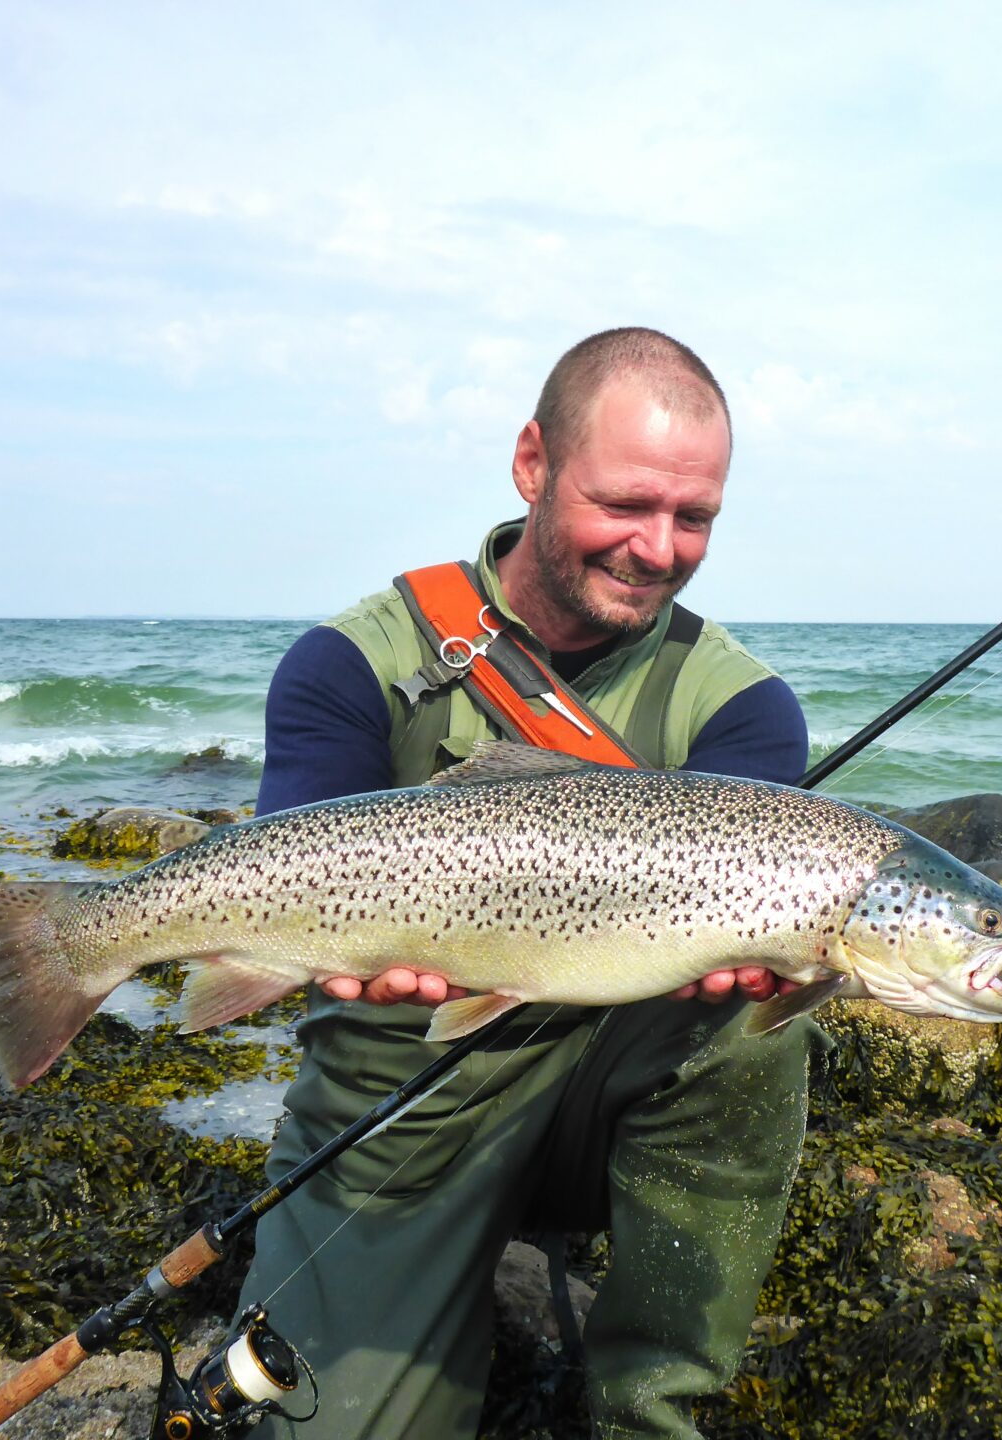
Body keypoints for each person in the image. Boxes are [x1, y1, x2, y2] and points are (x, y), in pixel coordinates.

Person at [239, 328, 815, 1440]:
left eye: (693, 518)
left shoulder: (743, 705)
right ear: (533, 464)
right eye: (626, 504)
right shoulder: (349, 663)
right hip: (399, 1102)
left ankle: (651, 1407)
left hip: (608, 1096)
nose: (658, 548)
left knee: (760, 1027)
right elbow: (284, 869)